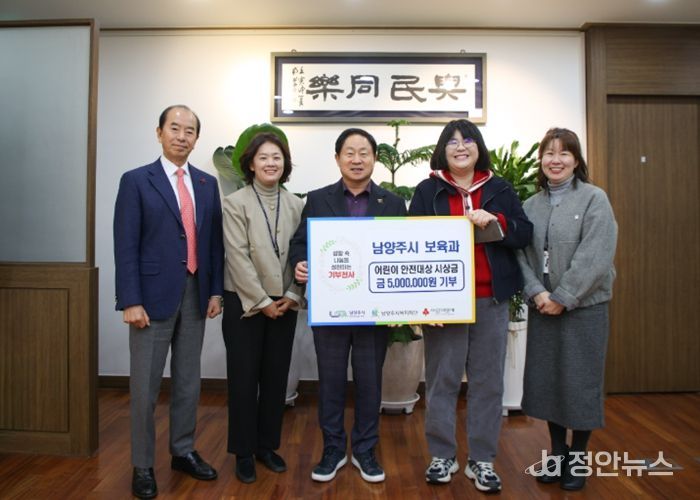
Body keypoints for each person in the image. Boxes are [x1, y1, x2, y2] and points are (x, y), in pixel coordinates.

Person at [408, 119, 532, 493]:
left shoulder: (499, 188)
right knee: (442, 380)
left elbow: (523, 232)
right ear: (442, 150)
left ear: (478, 147)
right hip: (444, 302)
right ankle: (442, 456)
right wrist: (425, 302)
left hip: (489, 298)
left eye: (468, 140)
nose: (460, 147)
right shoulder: (428, 190)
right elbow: (412, 244)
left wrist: (497, 220)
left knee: (487, 382)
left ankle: (482, 460)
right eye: (452, 141)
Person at [113, 105, 224, 499]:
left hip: (195, 293)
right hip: (150, 298)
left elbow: (213, 243)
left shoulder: (207, 184)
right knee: (145, 387)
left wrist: (215, 291)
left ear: (197, 138)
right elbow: (125, 244)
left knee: (188, 381)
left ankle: (183, 451)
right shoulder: (136, 181)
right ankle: (143, 465)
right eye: (174, 128)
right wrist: (130, 299)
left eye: (189, 130)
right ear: (159, 132)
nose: (181, 136)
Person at [289, 128, 407, 484]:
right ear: (337, 158)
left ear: (375, 158)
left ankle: (366, 450)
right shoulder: (318, 199)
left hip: (374, 311)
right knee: (331, 382)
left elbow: (403, 252)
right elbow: (300, 243)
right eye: (350, 153)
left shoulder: (393, 203)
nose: (357, 159)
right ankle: (333, 448)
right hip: (331, 310)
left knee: (370, 382)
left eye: (364, 152)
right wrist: (300, 263)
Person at [517, 127, 617, 491]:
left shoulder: (594, 199)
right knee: (549, 383)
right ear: (541, 160)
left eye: (564, 153)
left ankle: (578, 457)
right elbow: (520, 255)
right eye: (549, 153)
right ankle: (558, 454)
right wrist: (537, 293)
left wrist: (563, 297)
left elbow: (596, 254)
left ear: (576, 161)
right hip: (543, 307)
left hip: (584, 309)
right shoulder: (530, 205)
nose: (555, 160)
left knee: (580, 383)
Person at [221, 132, 304, 484]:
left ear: (285, 164)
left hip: (285, 302)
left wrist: (293, 294)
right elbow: (237, 256)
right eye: (264, 157)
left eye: (277, 157)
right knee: (243, 380)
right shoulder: (234, 202)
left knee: (275, 378)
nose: (271, 163)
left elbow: (302, 253)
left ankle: (266, 446)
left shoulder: (297, 204)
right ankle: (243, 451)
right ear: (251, 164)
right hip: (245, 304)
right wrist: (261, 301)